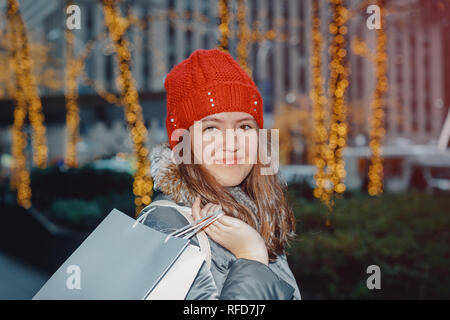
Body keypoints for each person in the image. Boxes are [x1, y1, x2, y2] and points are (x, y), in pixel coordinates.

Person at [138, 49, 301, 300]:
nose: (232, 143)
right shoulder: (165, 226)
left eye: (244, 126)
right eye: (212, 128)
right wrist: (252, 257)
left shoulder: (260, 214)